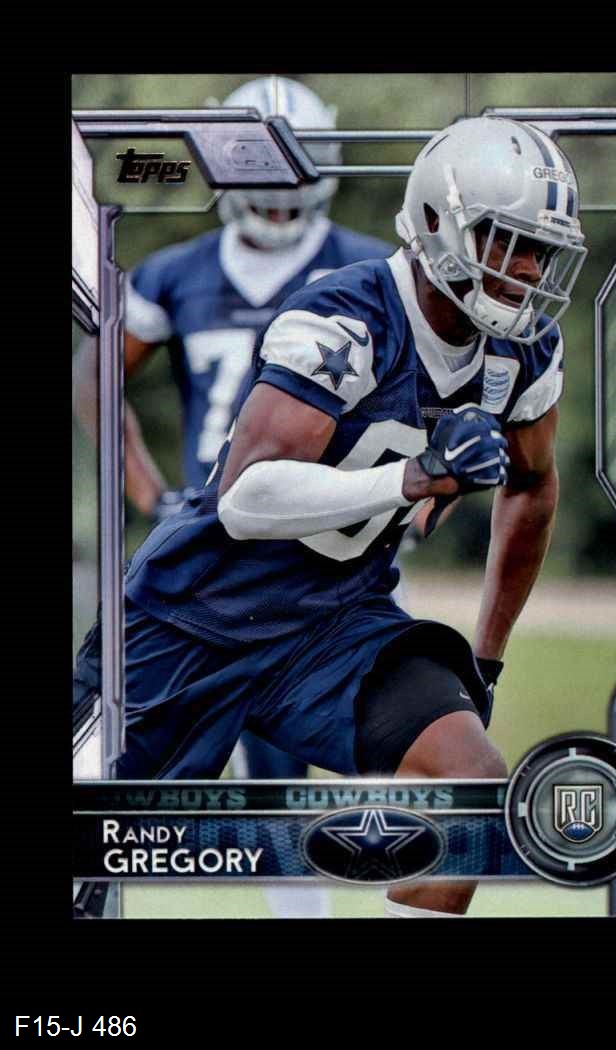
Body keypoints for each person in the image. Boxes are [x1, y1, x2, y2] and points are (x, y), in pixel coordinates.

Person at [74, 114, 587, 917]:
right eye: (506, 240)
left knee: (469, 788)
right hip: (195, 617)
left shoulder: (522, 353)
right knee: (82, 850)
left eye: (541, 251)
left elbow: (533, 487)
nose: (525, 270)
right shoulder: (350, 313)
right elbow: (246, 498)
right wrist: (413, 477)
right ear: (435, 222)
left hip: (334, 622)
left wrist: (486, 659)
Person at [72, 76, 392, 918]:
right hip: (207, 547)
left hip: (318, 552)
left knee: (293, 759)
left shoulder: (370, 270)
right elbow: (96, 373)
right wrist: (150, 494)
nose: (278, 191)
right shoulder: (179, 273)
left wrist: (407, 495)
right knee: (134, 741)